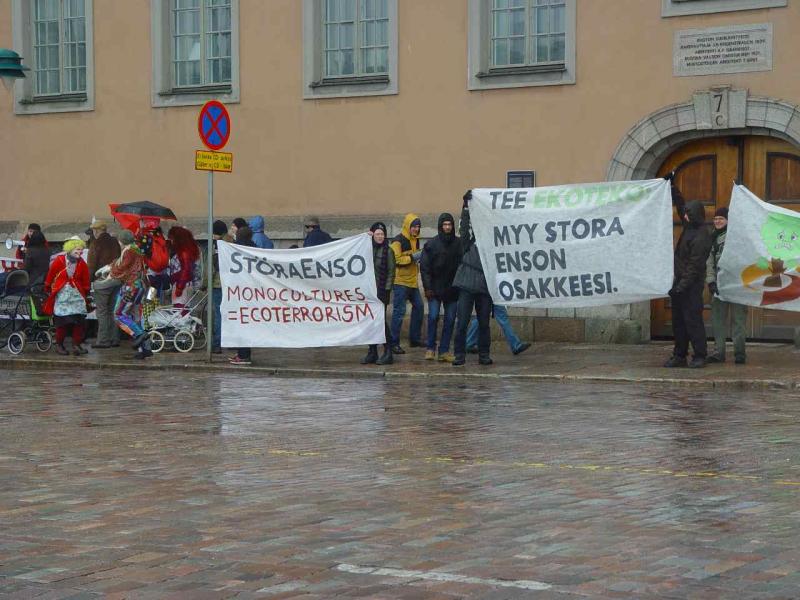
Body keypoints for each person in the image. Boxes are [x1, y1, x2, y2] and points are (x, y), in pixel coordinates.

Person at [664, 176, 712, 369]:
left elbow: (695, 266)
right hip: (680, 284)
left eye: (687, 214)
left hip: (691, 286)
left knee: (693, 321)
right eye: (685, 214)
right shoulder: (689, 227)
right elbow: (680, 205)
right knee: (678, 323)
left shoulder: (701, 236)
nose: (684, 216)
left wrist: (681, 287)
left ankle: (700, 355)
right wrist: (673, 187)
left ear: (695, 215)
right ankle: (679, 355)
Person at [453, 190, 493, 366]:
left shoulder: (492, 245)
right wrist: (465, 207)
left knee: (484, 323)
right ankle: (459, 355)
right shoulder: (467, 242)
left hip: (485, 288)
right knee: (462, 322)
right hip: (467, 286)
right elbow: (464, 227)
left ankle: (484, 354)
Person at [706, 206, 747, 365]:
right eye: (715, 219)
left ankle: (740, 353)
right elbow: (709, 261)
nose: (717, 221)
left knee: (739, 320)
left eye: (721, 219)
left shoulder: (737, 238)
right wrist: (710, 281)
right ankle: (719, 352)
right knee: (718, 320)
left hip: (737, 284)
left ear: (728, 220)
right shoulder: (712, 238)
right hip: (719, 285)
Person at [420, 212, 461, 362]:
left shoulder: (458, 244)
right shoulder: (431, 244)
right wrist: (428, 288)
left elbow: (462, 266)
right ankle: (430, 348)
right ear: (440, 226)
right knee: (433, 317)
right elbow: (424, 268)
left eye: (450, 224)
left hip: (452, 289)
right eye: (445, 225)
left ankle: (444, 351)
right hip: (435, 289)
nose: (447, 227)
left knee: (450, 320)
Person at [43, 238, 90, 356]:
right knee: (62, 322)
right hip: (62, 296)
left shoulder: (82, 263)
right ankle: (60, 345)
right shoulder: (59, 261)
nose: (80, 252)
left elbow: (85, 278)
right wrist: (47, 287)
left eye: (81, 250)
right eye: (77, 249)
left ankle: (76, 344)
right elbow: (51, 275)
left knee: (79, 320)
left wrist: (86, 290)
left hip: (77, 296)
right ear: (70, 249)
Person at [361, 222, 396, 365]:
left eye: (382, 234)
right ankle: (372, 351)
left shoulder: (389, 251)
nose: (380, 237)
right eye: (377, 234)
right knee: (370, 321)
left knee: (380, 321)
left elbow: (391, 272)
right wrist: (365, 236)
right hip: (369, 291)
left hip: (382, 292)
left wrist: (385, 290)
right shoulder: (368, 248)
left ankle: (388, 351)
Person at [113, 232, 152, 359]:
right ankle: (144, 349)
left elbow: (122, 268)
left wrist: (111, 267)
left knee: (118, 314)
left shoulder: (129, 252)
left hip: (131, 287)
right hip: (139, 287)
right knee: (135, 317)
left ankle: (140, 334)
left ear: (122, 241)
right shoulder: (137, 251)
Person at [389, 213, 424, 353]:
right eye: (414, 226)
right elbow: (395, 259)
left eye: (418, 227)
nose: (416, 229)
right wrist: (412, 257)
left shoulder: (416, 240)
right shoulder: (397, 240)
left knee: (419, 307)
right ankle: (394, 343)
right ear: (407, 226)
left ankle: (414, 339)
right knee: (399, 312)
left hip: (412, 281)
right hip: (400, 282)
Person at [230, 226, 256, 365]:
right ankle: (243, 353)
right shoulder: (254, 248)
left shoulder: (237, 248)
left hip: (240, 292)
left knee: (241, 323)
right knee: (245, 322)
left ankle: (244, 355)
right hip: (249, 292)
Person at [465, 305, 531, 355]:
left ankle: (469, 343)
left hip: (488, 293)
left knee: (480, 317)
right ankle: (515, 345)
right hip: (493, 294)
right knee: (502, 318)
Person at [209, 220, 233, 353]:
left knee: (218, 314)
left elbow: (215, 266)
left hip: (219, 283)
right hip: (231, 283)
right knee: (231, 313)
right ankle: (232, 341)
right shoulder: (232, 242)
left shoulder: (218, 245)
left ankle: (217, 343)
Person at [167, 226, 201, 308]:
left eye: (172, 239)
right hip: (186, 285)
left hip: (181, 285)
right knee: (184, 310)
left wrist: (179, 287)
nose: (171, 241)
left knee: (179, 312)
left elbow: (185, 270)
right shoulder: (190, 250)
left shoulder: (183, 252)